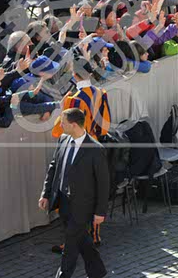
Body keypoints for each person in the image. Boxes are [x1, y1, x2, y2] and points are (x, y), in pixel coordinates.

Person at [39, 107, 109, 278]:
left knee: (70, 244)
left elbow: (103, 183)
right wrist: (46, 194)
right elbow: (54, 167)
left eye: (63, 123)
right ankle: (98, 272)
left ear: (74, 125)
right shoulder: (63, 140)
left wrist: (100, 211)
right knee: (82, 239)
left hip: (83, 206)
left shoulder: (95, 149)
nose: (60, 126)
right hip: (64, 202)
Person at [51, 58, 112, 139]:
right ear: (90, 74)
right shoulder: (101, 92)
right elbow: (105, 126)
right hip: (95, 140)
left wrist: (61, 108)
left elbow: (57, 132)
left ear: (74, 75)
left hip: (79, 142)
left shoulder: (73, 100)